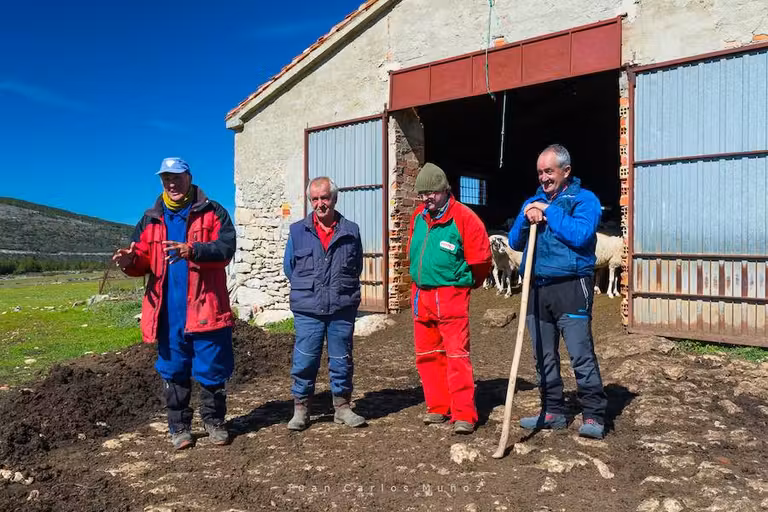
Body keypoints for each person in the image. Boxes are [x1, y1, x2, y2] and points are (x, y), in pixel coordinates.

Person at [113, 157, 236, 450]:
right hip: (167, 313)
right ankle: (179, 427)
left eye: (177, 177)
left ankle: (214, 422)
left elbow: (225, 249)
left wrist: (192, 249)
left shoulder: (213, 211)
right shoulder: (150, 218)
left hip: (206, 307)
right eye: (166, 178)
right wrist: (129, 262)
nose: (172, 183)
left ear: (189, 178)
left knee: (211, 369)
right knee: (174, 370)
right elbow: (141, 258)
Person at [508, 144, 607, 440]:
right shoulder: (532, 201)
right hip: (536, 288)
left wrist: (549, 212)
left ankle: (593, 413)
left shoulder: (584, 200)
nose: (543, 178)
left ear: (566, 171)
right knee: (543, 355)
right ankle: (552, 411)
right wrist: (527, 218)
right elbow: (514, 242)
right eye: (540, 172)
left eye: (549, 171)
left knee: (580, 353)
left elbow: (580, 235)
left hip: (571, 285)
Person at [408, 162, 492, 434]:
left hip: (451, 294)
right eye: (423, 194)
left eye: (431, 193)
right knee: (427, 355)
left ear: (445, 190)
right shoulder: (418, 219)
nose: (426, 199)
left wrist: (467, 282)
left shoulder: (465, 218)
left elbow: (481, 260)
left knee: (456, 355)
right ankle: (437, 406)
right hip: (422, 294)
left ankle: (464, 413)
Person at [283, 176, 366, 431]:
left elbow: (357, 266)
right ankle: (301, 409)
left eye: (325, 198)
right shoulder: (298, 231)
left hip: (342, 307)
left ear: (334, 198)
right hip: (308, 309)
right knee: (305, 359)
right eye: (315, 199)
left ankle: (342, 407)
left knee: (342, 358)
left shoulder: (351, 230)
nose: (320, 203)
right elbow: (290, 268)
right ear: (310, 201)